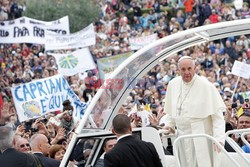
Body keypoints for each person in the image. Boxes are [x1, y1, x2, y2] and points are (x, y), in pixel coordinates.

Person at [164, 56, 226, 167]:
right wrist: (169, 125)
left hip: (201, 134)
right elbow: (171, 111)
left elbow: (217, 116)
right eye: (183, 69)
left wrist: (219, 138)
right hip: (181, 136)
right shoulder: (173, 84)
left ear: (195, 68)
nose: (186, 72)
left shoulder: (206, 85)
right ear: (178, 70)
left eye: (189, 68)